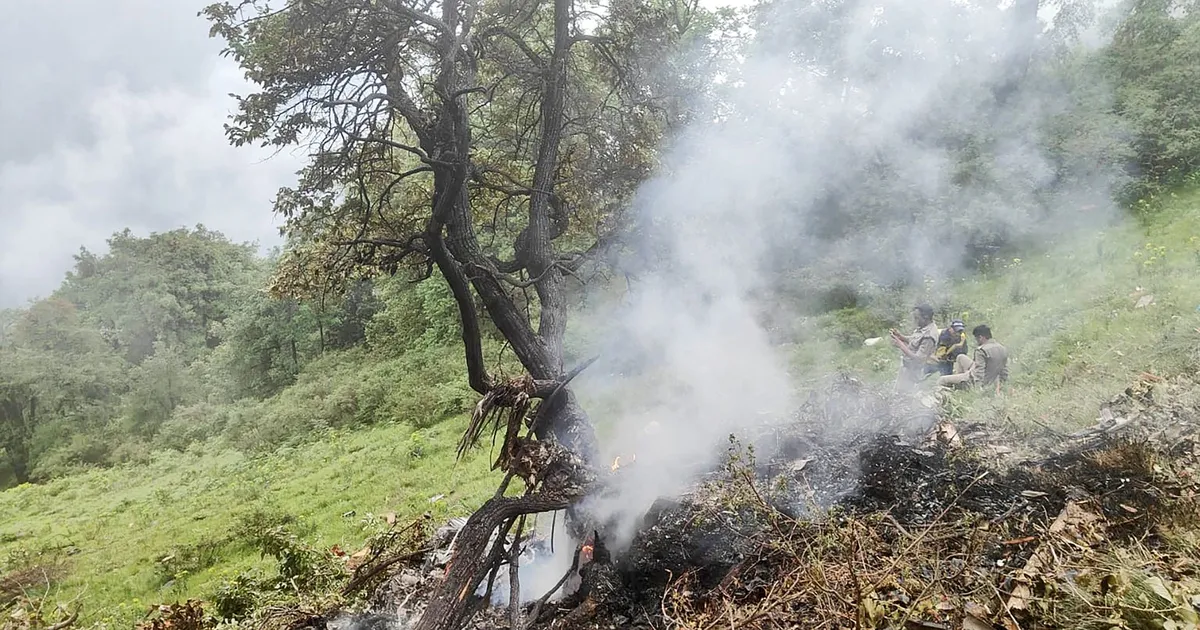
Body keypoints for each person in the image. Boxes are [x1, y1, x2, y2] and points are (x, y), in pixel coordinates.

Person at [938, 324, 1009, 392]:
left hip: (976, 379)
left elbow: (979, 372)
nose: (976, 341)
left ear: (981, 337)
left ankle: (955, 387)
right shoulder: (1002, 348)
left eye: (976, 338)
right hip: (989, 375)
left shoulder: (981, 350)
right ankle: (958, 379)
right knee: (960, 357)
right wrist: (1002, 384)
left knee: (942, 379)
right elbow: (1004, 370)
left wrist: (977, 389)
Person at [891, 304, 939, 389]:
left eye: (917, 318)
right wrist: (901, 336)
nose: (915, 320)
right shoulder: (923, 327)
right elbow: (915, 341)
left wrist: (901, 345)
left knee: (904, 397)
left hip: (914, 372)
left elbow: (919, 358)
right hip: (907, 367)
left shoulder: (929, 336)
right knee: (897, 392)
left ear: (926, 317)